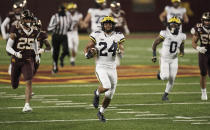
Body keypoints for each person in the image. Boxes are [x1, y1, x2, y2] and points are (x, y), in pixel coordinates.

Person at [84, 16, 125, 122]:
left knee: (110, 95)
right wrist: (87, 54)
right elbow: (88, 47)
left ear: (113, 25)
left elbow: (121, 47)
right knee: (106, 86)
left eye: (110, 24)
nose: (108, 25)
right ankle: (97, 93)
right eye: (106, 23)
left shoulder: (118, 35)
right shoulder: (97, 34)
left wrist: (120, 51)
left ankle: (101, 112)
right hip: (101, 66)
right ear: (103, 25)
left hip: (112, 67)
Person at [6, 10, 39, 112]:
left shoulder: (35, 30)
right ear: (22, 19)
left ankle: (27, 105)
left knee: (29, 81)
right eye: (27, 19)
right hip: (16, 60)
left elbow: (34, 42)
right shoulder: (16, 29)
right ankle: (18, 74)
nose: (29, 21)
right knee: (14, 86)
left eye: (30, 19)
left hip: (28, 59)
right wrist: (15, 53)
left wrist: (37, 54)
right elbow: (7, 47)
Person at [152, 17, 186, 101]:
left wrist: (182, 52)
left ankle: (165, 95)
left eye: (175, 24)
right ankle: (159, 75)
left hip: (174, 59)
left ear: (179, 26)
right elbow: (155, 44)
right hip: (164, 58)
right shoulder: (164, 34)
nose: (173, 26)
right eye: (171, 24)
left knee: (172, 79)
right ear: (169, 26)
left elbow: (181, 45)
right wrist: (154, 55)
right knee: (165, 77)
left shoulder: (182, 36)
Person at [1, 0, 25, 75]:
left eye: (19, 8)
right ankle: (12, 66)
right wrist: (4, 34)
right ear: (14, 9)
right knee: (11, 52)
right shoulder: (11, 15)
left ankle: (13, 66)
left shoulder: (24, 16)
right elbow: (3, 25)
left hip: (20, 37)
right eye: (16, 8)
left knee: (18, 52)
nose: (18, 9)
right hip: (11, 37)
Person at [47, 5, 72, 73]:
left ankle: (61, 58)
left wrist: (69, 27)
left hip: (64, 36)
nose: (63, 11)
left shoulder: (68, 17)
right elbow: (49, 28)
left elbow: (70, 27)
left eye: (64, 10)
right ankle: (55, 66)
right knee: (56, 52)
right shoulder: (54, 17)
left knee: (66, 50)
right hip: (56, 36)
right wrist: (56, 25)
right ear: (59, 9)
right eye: (62, 9)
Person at [191, 12, 210, 101]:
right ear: (203, 21)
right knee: (203, 73)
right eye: (206, 21)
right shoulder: (199, 29)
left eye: (209, 21)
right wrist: (198, 48)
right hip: (204, 52)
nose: (208, 22)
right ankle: (203, 92)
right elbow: (193, 42)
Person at [110, 0, 130, 66]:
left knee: (120, 46)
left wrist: (126, 29)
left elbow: (124, 21)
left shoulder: (122, 13)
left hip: (119, 32)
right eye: (115, 7)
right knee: (114, 46)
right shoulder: (110, 14)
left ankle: (120, 53)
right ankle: (115, 60)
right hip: (112, 32)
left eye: (117, 7)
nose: (116, 8)